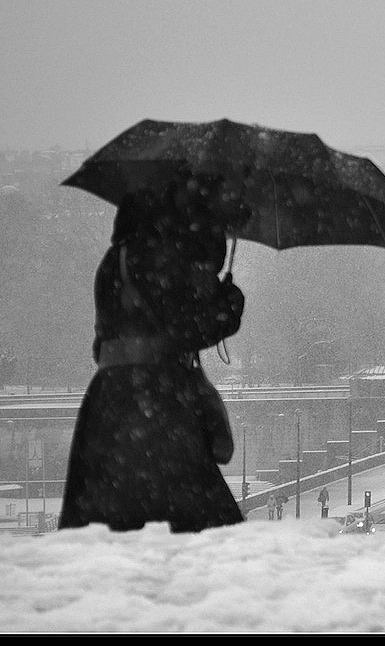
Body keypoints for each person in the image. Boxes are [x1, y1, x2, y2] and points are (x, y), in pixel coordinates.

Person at [59, 171, 249, 534]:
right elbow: (186, 329)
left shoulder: (119, 257)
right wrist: (228, 304)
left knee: (107, 521)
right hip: (160, 399)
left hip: (111, 398)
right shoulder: (166, 257)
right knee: (200, 526)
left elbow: (111, 336)